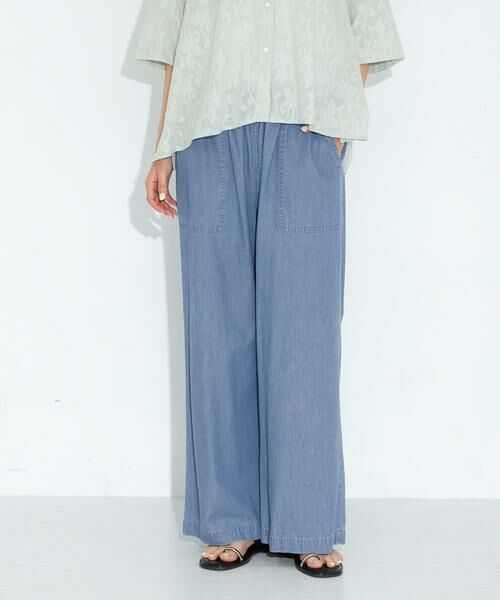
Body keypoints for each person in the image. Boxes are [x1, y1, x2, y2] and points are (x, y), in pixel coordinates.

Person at [134, 0, 404, 578]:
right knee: (216, 332)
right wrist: (162, 147)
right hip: (207, 136)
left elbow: (369, 30)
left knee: (305, 336)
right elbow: (174, 45)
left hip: (305, 136)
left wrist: (335, 116)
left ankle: (307, 522)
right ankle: (230, 520)